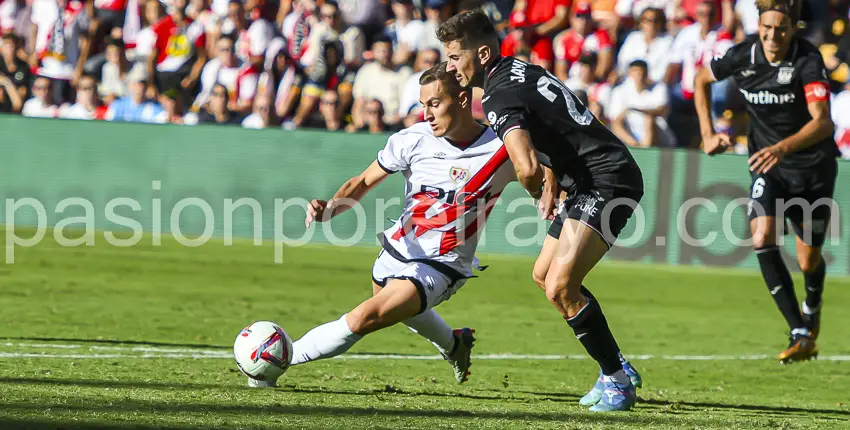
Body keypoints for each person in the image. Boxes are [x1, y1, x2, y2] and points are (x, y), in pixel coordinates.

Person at [248, 62, 515, 387]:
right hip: (398, 248)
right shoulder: (413, 139)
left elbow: (542, 170)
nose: (427, 113)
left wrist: (554, 196)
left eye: (435, 103)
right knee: (402, 308)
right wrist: (329, 209)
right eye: (423, 105)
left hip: (442, 265)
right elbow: (363, 181)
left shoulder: (502, 148)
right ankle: (454, 344)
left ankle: (276, 359)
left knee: (366, 316)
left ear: (461, 99)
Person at [438, 10, 644, 412]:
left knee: (561, 286)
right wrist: (553, 178)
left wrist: (536, 188)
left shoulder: (498, 95)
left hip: (607, 179)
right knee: (543, 275)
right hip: (588, 178)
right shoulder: (516, 68)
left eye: (454, 57)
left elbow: (525, 165)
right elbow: (555, 123)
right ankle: (615, 364)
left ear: (481, 54)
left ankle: (618, 383)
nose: (449, 67)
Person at [695, 0, 837, 364]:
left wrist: (782, 148)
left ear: (794, 28)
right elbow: (700, 79)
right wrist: (708, 132)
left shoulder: (807, 60)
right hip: (767, 165)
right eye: (767, 28)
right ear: (759, 26)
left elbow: (823, 123)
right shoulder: (742, 55)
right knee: (761, 237)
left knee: (808, 262)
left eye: (782, 29)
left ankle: (812, 305)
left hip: (812, 168)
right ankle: (800, 332)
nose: (774, 36)